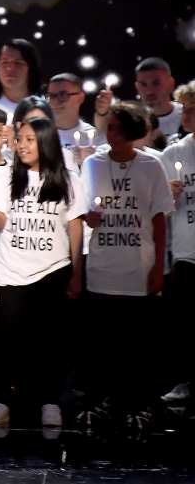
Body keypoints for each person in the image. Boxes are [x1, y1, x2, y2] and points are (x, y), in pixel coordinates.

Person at [0, 116, 86, 429]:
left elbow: (75, 226)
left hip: (53, 270)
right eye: (20, 139)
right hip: (12, 272)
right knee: (9, 342)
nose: (22, 145)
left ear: (46, 143)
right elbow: (0, 224)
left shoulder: (67, 180)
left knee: (49, 343)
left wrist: (77, 271)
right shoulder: (7, 178)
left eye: (29, 139)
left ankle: (49, 401)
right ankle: (3, 400)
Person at [80, 102, 173, 429]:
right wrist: (90, 218)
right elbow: (83, 214)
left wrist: (158, 268)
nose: (111, 133)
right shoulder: (92, 163)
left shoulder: (151, 166)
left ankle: (137, 405)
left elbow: (160, 222)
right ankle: (100, 402)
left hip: (138, 272)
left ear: (133, 132)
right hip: (101, 271)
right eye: (110, 127)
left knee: (137, 349)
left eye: (118, 127)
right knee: (102, 347)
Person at [160, 80, 195, 404]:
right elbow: (157, 210)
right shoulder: (174, 153)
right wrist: (167, 198)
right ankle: (185, 382)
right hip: (186, 251)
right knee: (185, 323)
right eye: (185, 109)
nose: (186, 115)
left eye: (193, 109)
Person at [45, 72, 103, 150]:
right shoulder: (35, 134)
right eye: (51, 96)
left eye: (63, 95)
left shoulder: (93, 139)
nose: (55, 101)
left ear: (81, 97)